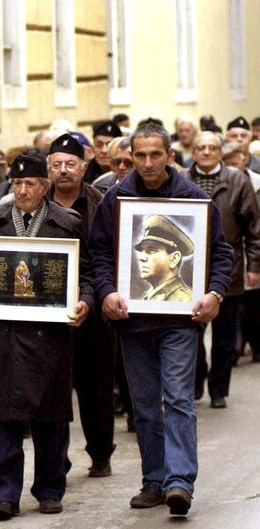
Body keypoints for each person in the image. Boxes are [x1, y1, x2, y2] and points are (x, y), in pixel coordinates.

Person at [89, 122, 233, 517]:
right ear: (130, 157)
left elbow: (221, 254)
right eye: (141, 155)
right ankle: (154, 480)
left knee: (179, 399)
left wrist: (214, 294)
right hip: (132, 322)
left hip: (179, 321)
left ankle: (180, 482)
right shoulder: (116, 198)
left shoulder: (193, 198)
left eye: (156, 154)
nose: (148, 162)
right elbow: (99, 253)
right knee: (145, 406)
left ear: (170, 156)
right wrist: (107, 292)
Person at [0, 151, 94, 520]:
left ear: (45, 187)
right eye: (17, 184)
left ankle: (49, 489)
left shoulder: (66, 224)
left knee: (50, 417)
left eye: (31, 184)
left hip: (49, 338)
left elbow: (85, 274)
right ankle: (4, 495)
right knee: (6, 418)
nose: (23, 190)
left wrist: (85, 302)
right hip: (2, 337)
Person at [47, 133, 116, 478]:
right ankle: (57, 459)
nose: (63, 171)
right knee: (54, 389)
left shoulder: (102, 202)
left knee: (96, 388)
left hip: (94, 312)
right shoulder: (33, 203)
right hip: (48, 312)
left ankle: (101, 452)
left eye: (70, 165)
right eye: (56, 165)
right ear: (48, 169)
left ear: (84, 167)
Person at [186, 132, 260, 408]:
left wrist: (254, 266)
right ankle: (195, 382)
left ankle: (218, 389)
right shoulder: (182, 178)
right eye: (200, 148)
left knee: (225, 336)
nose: (206, 152)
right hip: (188, 268)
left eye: (211, 148)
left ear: (220, 152)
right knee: (191, 332)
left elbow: (254, 230)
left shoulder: (237, 180)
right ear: (192, 153)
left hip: (228, 267)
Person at [133, 215, 194, 301]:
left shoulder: (186, 299)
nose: (142, 258)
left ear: (174, 259)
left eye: (151, 251)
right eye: (142, 251)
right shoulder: (149, 297)